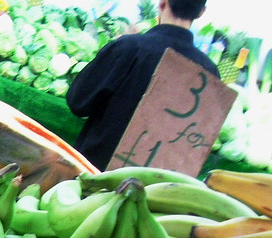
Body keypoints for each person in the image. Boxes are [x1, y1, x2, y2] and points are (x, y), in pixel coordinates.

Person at [66, 0, 220, 170]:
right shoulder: (210, 74)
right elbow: (195, 147)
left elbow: (77, 102)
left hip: (94, 175)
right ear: (201, 13)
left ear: (162, 3)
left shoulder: (129, 47)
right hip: (154, 190)